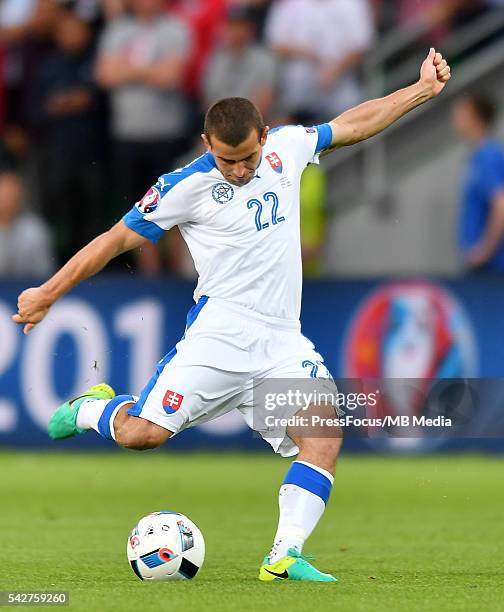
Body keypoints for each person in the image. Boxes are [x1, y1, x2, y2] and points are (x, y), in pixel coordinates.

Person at [13, 48, 451, 581]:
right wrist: (49, 292)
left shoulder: (287, 148)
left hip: (282, 343)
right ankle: (91, 409)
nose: (239, 169)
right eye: (227, 160)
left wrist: (420, 89)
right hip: (217, 338)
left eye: (246, 156)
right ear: (207, 146)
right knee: (142, 436)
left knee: (324, 434)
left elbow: (352, 124)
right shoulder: (185, 187)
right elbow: (114, 240)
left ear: (263, 135)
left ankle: (283, 556)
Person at [453, 94, 504, 273]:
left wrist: (484, 251)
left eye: (462, 113)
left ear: (476, 118)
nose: (456, 118)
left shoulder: (489, 155)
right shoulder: (475, 156)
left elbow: (500, 204)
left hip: (492, 268)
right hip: (479, 265)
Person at [203, 5, 276, 119]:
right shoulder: (216, 59)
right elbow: (209, 100)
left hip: (255, 126)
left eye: (240, 25)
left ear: (251, 29)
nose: (235, 31)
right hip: (221, 125)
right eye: (231, 25)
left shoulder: (265, 60)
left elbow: (263, 102)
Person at [0, 171, 54, 277]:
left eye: (12, 196)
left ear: (21, 198)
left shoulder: (35, 229)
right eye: (4, 196)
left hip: (28, 289)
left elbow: (44, 272)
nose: (8, 202)